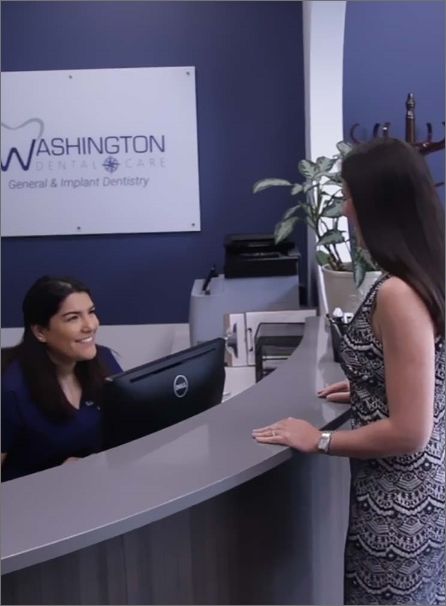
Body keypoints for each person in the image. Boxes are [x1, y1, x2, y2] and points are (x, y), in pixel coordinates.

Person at [252, 138, 445, 605]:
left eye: (351, 194)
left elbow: (410, 432)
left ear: (378, 204)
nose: (343, 205)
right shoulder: (426, 272)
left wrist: (317, 440)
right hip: (416, 498)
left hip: (398, 510)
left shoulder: (398, 294)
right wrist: (369, 387)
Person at [1, 276, 122, 481]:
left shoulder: (103, 361)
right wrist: (53, 478)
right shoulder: (10, 390)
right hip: (28, 504)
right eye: (73, 318)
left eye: (91, 312)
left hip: (92, 489)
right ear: (40, 331)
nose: (90, 326)